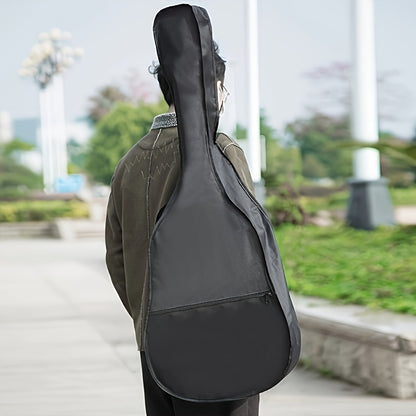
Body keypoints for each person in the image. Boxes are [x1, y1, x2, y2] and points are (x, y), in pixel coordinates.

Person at [105, 41, 259, 416]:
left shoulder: (130, 161)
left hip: (155, 343)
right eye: (223, 87)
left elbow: (117, 257)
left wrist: (148, 318)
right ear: (211, 89)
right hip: (219, 342)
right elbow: (251, 246)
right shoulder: (219, 151)